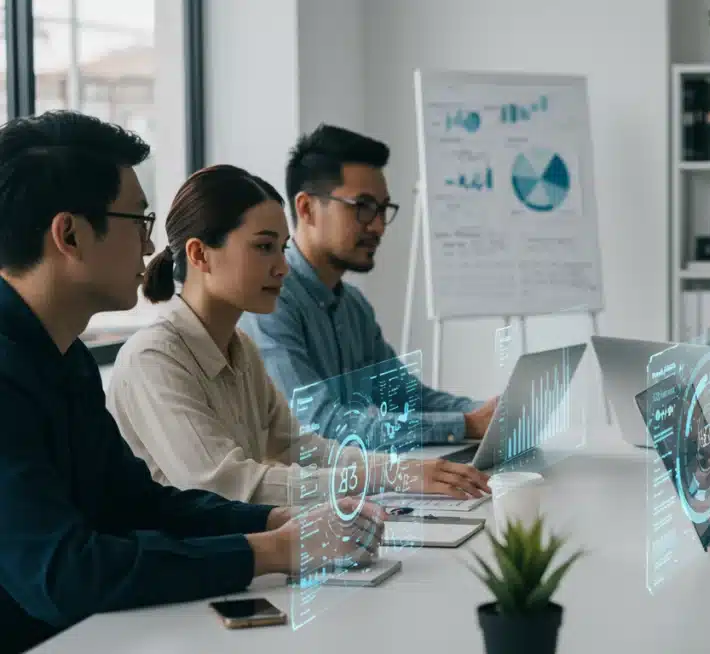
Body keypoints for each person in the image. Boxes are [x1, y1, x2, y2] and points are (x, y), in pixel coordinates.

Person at [0, 112, 384, 653]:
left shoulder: (64, 358)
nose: (151, 244)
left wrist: (277, 520)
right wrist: (271, 551)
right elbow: (64, 573)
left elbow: (139, 503)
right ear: (70, 234)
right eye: (138, 220)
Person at [105, 164, 492, 507]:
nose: (282, 267)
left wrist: (404, 470)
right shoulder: (154, 357)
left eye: (282, 248)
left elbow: (301, 447)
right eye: (263, 247)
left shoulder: (242, 349)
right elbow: (225, 486)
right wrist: (390, 476)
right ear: (200, 254)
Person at [238, 124, 498, 446]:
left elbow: (408, 397)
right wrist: (464, 424)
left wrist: (488, 412)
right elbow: (319, 425)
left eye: (382, 209)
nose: (377, 226)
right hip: (301, 490)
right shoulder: (271, 301)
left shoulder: (353, 306)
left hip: (353, 481)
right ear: (306, 208)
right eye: (362, 207)